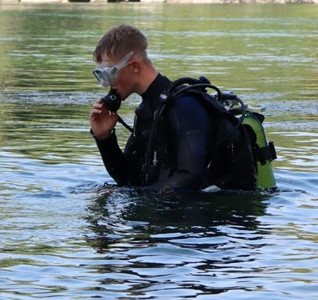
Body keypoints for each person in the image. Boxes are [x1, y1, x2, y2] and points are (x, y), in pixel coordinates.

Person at [89, 24, 245, 191]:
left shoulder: (185, 106)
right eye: (100, 75)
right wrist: (104, 138)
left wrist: (136, 195)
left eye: (108, 73)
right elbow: (129, 178)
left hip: (216, 213)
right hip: (172, 209)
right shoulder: (148, 111)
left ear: (134, 66)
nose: (106, 84)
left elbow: (189, 178)